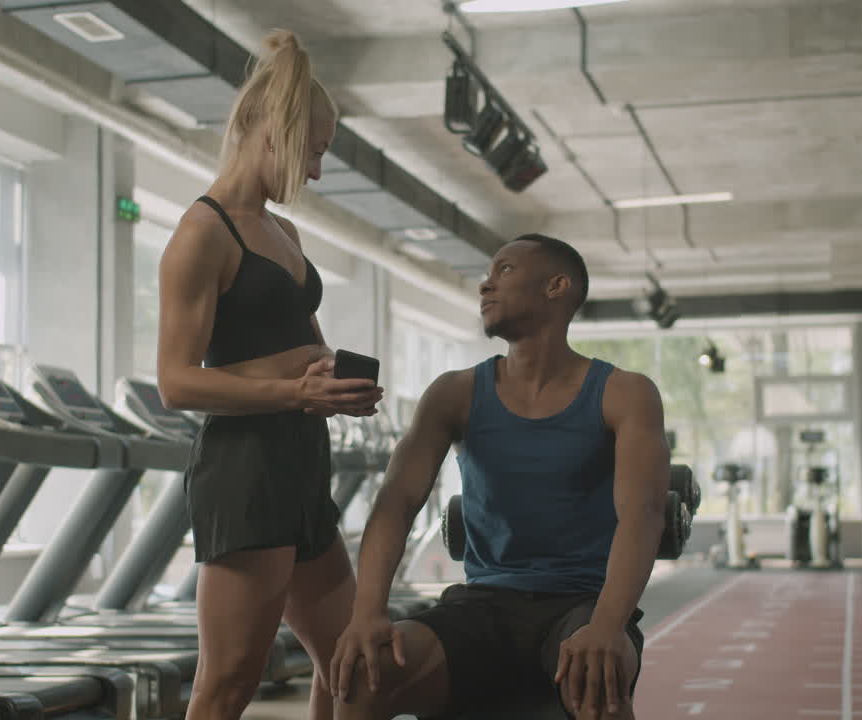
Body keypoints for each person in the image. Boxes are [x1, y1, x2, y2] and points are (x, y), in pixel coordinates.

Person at [329, 234, 670, 720]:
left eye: (504, 270)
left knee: (599, 677)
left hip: (584, 603)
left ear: (557, 286)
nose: (485, 285)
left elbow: (643, 515)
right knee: (365, 674)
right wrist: (367, 612)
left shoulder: (625, 393)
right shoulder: (454, 393)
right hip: (483, 605)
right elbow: (396, 502)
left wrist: (608, 625)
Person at [155, 29, 382, 720]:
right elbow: (175, 383)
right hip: (245, 472)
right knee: (226, 685)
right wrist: (294, 390)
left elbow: (307, 350)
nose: (316, 172)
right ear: (272, 132)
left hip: (302, 464)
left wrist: (335, 385)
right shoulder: (203, 232)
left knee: (351, 668)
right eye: (313, 151)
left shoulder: (286, 234)